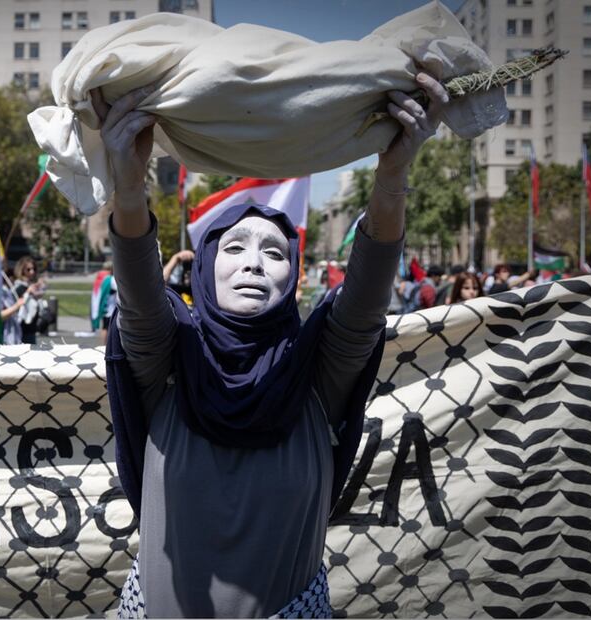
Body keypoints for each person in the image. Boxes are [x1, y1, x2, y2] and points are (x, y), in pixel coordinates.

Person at [95, 71, 448, 618]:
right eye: (234, 246)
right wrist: (128, 181)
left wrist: (394, 173)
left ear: (294, 275)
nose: (255, 263)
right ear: (206, 270)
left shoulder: (317, 377)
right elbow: (140, 296)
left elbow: (366, 294)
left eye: (276, 252)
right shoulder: (167, 363)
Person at [12, 256, 45, 344]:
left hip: (32, 328)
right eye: (28, 269)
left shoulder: (30, 285)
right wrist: (28, 292)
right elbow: (17, 303)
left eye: (33, 269)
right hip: (22, 328)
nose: (32, 272)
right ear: (21, 270)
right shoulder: (18, 287)